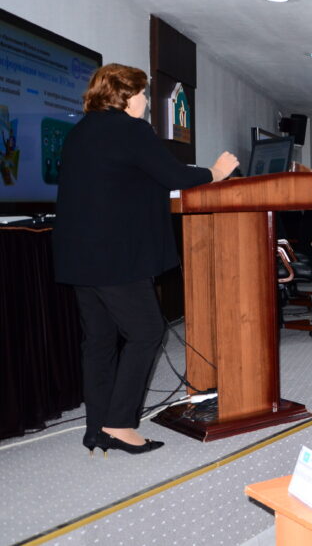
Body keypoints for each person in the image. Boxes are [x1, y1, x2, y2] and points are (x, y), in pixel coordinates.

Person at [54, 63, 239, 455]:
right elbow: (174, 175)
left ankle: (96, 427)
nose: (145, 103)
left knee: (99, 341)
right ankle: (119, 424)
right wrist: (216, 172)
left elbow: (124, 182)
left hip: (79, 257)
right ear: (125, 97)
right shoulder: (130, 129)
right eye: (142, 94)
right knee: (146, 332)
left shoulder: (80, 132)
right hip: (116, 257)